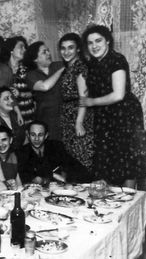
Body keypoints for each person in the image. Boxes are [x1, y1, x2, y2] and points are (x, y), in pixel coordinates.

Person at [80, 25, 145, 187]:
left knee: (127, 161)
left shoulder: (117, 60)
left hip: (125, 116)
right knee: (106, 162)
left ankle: (130, 205)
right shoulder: (93, 64)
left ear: (108, 40)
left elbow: (118, 94)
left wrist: (91, 102)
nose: (94, 46)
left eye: (98, 40)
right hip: (105, 117)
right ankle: (111, 206)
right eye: (90, 43)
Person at [57, 33, 94, 170]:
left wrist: (79, 123)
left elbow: (83, 97)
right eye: (63, 48)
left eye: (70, 48)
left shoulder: (80, 67)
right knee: (72, 159)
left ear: (78, 49)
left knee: (82, 159)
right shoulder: (69, 67)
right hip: (68, 118)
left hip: (79, 116)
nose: (66, 52)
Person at [18, 121, 89, 185]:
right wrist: (53, 175)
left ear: (46, 135)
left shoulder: (55, 146)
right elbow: (26, 176)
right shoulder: (22, 152)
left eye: (40, 135)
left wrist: (66, 178)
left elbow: (75, 166)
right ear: (28, 134)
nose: (36, 139)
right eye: (33, 135)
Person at [23, 41, 65, 140]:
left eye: (48, 51)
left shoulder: (58, 65)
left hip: (66, 117)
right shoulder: (31, 75)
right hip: (47, 121)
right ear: (35, 59)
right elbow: (44, 87)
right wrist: (60, 71)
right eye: (44, 52)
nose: (48, 54)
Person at [4, 36, 35, 126]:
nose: (24, 50)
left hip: (27, 115)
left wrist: (20, 94)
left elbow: (34, 93)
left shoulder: (28, 69)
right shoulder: (2, 69)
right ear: (11, 49)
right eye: (21, 47)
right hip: (9, 115)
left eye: (25, 47)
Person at [0, 125, 23, 190]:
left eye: (4, 140)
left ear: (10, 140)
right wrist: (6, 184)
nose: (1, 144)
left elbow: (19, 183)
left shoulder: (15, 156)